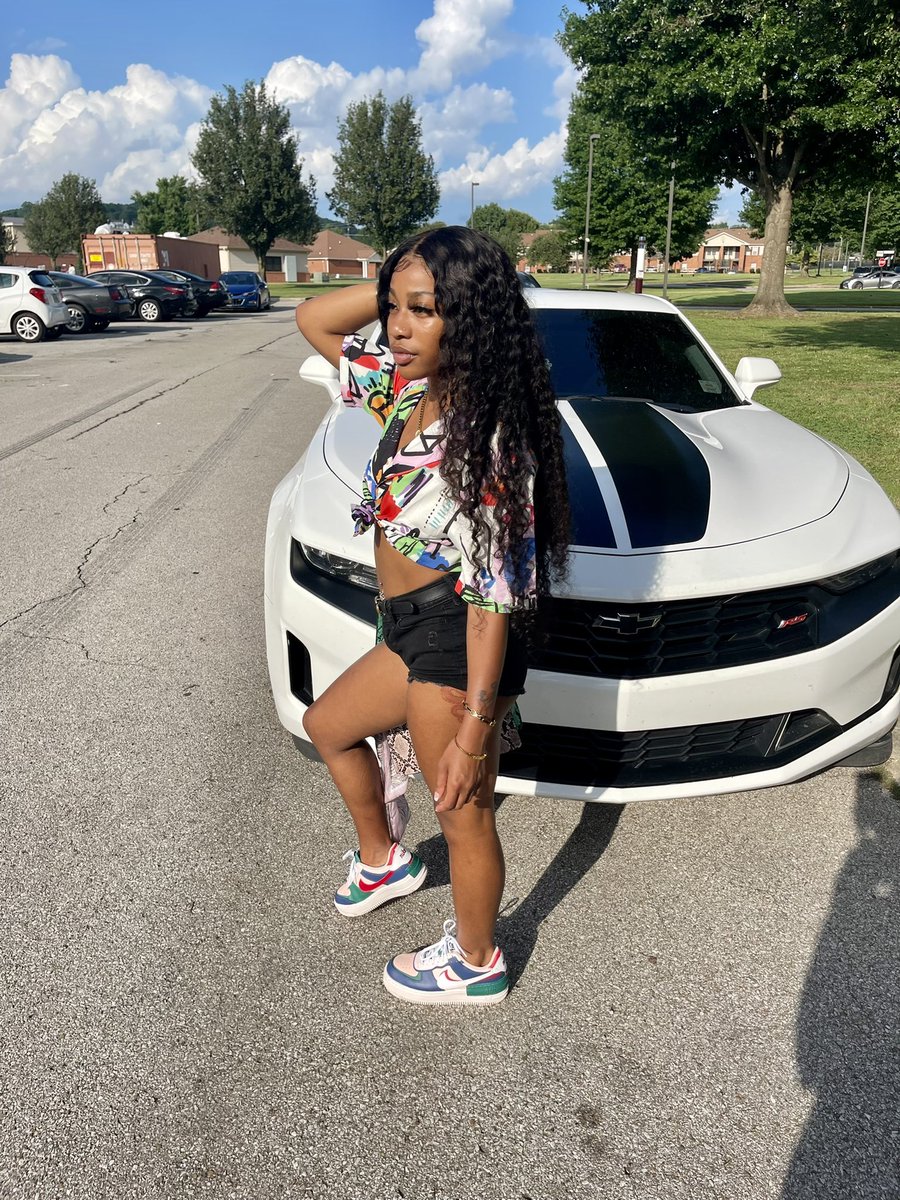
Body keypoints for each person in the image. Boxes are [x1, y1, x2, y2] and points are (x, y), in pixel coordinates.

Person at [295, 226, 569, 1006]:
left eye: (423, 311)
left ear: (470, 320)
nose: (397, 327)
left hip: (459, 635)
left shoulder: (491, 440)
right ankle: (385, 861)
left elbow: (493, 598)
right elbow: (313, 319)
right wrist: (401, 275)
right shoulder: (406, 391)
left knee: (463, 811)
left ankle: (477, 961)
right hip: (410, 627)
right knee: (328, 726)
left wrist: (476, 733)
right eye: (392, 309)